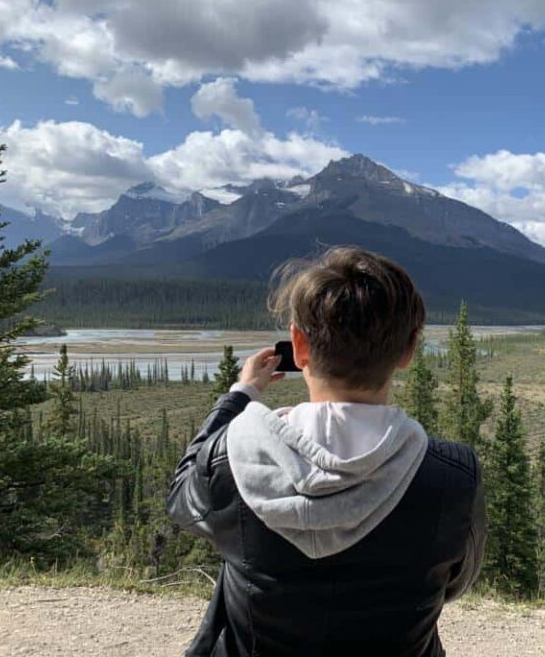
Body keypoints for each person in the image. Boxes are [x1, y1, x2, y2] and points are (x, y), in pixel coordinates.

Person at [167, 246, 485, 656]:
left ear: (299, 347)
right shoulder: (454, 476)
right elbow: (455, 581)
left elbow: (182, 500)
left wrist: (240, 395)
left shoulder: (232, 460)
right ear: (407, 351)